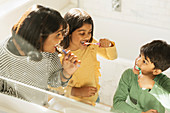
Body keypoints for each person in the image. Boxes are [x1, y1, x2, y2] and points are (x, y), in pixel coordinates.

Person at [0, 5, 80, 106]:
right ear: (39, 36)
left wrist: (66, 73)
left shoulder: (49, 53)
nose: (61, 39)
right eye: (57, 35)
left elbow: (52, 81)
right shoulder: (3, 56)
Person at [59, 8, 117, 105]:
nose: (87, 37)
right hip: (72, 101)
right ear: (68, 33)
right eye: (82, 33)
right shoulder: (61, 55)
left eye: (89, 32)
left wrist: (109, 45)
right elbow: (55, 86)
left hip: (93, 97)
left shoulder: (91, 45)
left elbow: (112, 57)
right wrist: (77, 91)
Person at [111, 40, 170, 113]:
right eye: (139, 56)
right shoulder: (129, 74)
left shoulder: (164, 82)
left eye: (144, 61)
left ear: (156, 71)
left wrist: (152, 86)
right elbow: (117, 103)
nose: (137, 61)